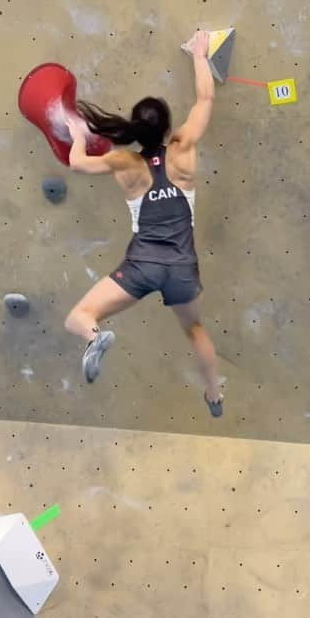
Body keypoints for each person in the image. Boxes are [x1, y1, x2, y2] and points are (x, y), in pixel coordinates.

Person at [64, 31, 224, 417]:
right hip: (181, 268)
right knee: (195, 331)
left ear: (135, 130)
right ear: (168, 127)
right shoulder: (183, 148)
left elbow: (76, 163)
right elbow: (206, 98)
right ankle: (214, 396)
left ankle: (94, 338)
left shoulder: (125, 163)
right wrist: (199, 54)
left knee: (79, 317)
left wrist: (77, 136)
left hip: (141, 267)